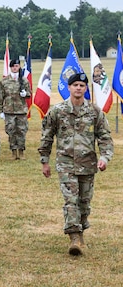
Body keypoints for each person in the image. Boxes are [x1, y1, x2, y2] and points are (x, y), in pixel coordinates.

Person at [38, 73, 113, 256]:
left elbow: (105, 137)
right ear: (69, 88)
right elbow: (47, 137)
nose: (78, 88)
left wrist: (104, 157)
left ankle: (81, 231)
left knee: (84, 203)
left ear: (86, 89)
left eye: (82, 85)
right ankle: (74, 237)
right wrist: (44, 161)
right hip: (66, 165)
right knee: (71, 201)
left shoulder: (94, 111)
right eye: (75, 85)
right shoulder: (58, 111)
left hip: (88, 164)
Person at [0, 59, 31, 160]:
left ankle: (21, 151)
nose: (15, 68)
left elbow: (29, 94)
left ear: (19, 67)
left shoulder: (24, 80)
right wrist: (1, 111)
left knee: (21, 131)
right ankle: (13, 151)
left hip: (21, 110)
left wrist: (26, 94)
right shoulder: (4, 81)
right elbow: (1, 97)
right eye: (13, 66)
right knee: (11, 131)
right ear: (10, 67)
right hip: (9, 110)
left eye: (17, 66)